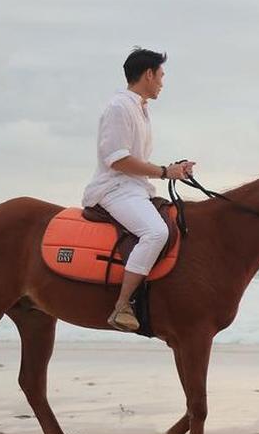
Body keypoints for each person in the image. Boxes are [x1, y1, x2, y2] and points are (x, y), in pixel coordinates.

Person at [81, 48, 196, 332]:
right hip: (114, 189)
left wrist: (173, 169)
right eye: (161, 76)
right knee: (155, 232)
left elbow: (136, 159)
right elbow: (117, 160)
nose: (162, 82)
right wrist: (163, 172)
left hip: (134, 188)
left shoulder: (140, 109)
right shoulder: (120, 107)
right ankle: (122, 305)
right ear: (148, 74)